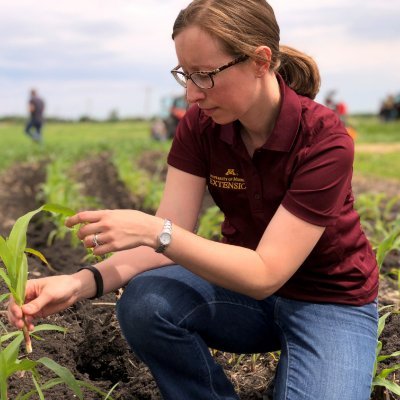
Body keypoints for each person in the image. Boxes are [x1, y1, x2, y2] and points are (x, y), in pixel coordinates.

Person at [9, 1, 379, 399]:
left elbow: (265, 272)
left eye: (204, 76)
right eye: (186, 75)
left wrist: (154, 229)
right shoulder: (202, 128)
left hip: (329, 303)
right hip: (241, 294)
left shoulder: (323, 139)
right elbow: (171, 237)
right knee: (146, 303)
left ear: (259, 60)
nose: (190, 94)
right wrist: (80, 283)